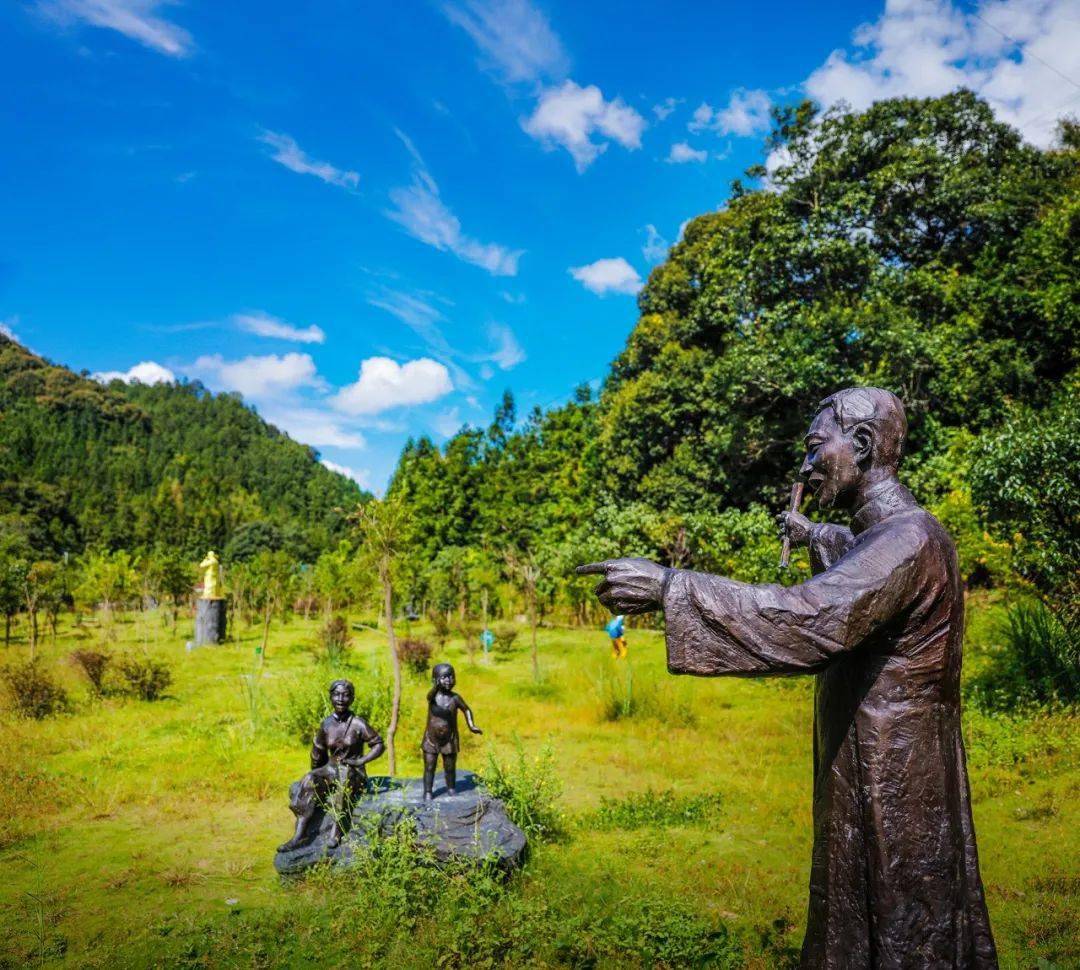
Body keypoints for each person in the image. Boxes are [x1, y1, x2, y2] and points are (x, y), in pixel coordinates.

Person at [578, 387, 997, 969]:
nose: (806, 463)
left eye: (815, 445)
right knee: (859, 905)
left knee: (904, 914)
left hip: (895, 767)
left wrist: (672, 587)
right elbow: (851, 557)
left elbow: (810, 617)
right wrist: (813, 535)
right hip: (868, 759)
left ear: (864, 444)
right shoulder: (883, 538)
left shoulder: (909, 539)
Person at [278, 679, 384, 851]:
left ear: (352, 699)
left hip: (353, 771)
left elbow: (378, 744)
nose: (341, 699)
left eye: (345, 695)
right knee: (310, 778)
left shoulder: (358, 723)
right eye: (336, 694)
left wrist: (361, 761)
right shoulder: (326, 724)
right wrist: (315, 777)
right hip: (331, 768)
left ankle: (337, 831)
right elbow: (318, 751)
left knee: (344, 777)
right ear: (331, 697)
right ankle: (300, 835)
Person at [421, 663, 482, 800]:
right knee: (429, 767)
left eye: (451, 676)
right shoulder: (433, 697)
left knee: (450, 767)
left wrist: (471, 725)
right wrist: (436, 687)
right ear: (436, 679)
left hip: (450, 739)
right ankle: (428, 791)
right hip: (431, 740)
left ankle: (451, 788)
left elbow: (466, 709)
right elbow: (429, 696)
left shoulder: (455, 698)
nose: (449, 680)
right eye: (444, 677)